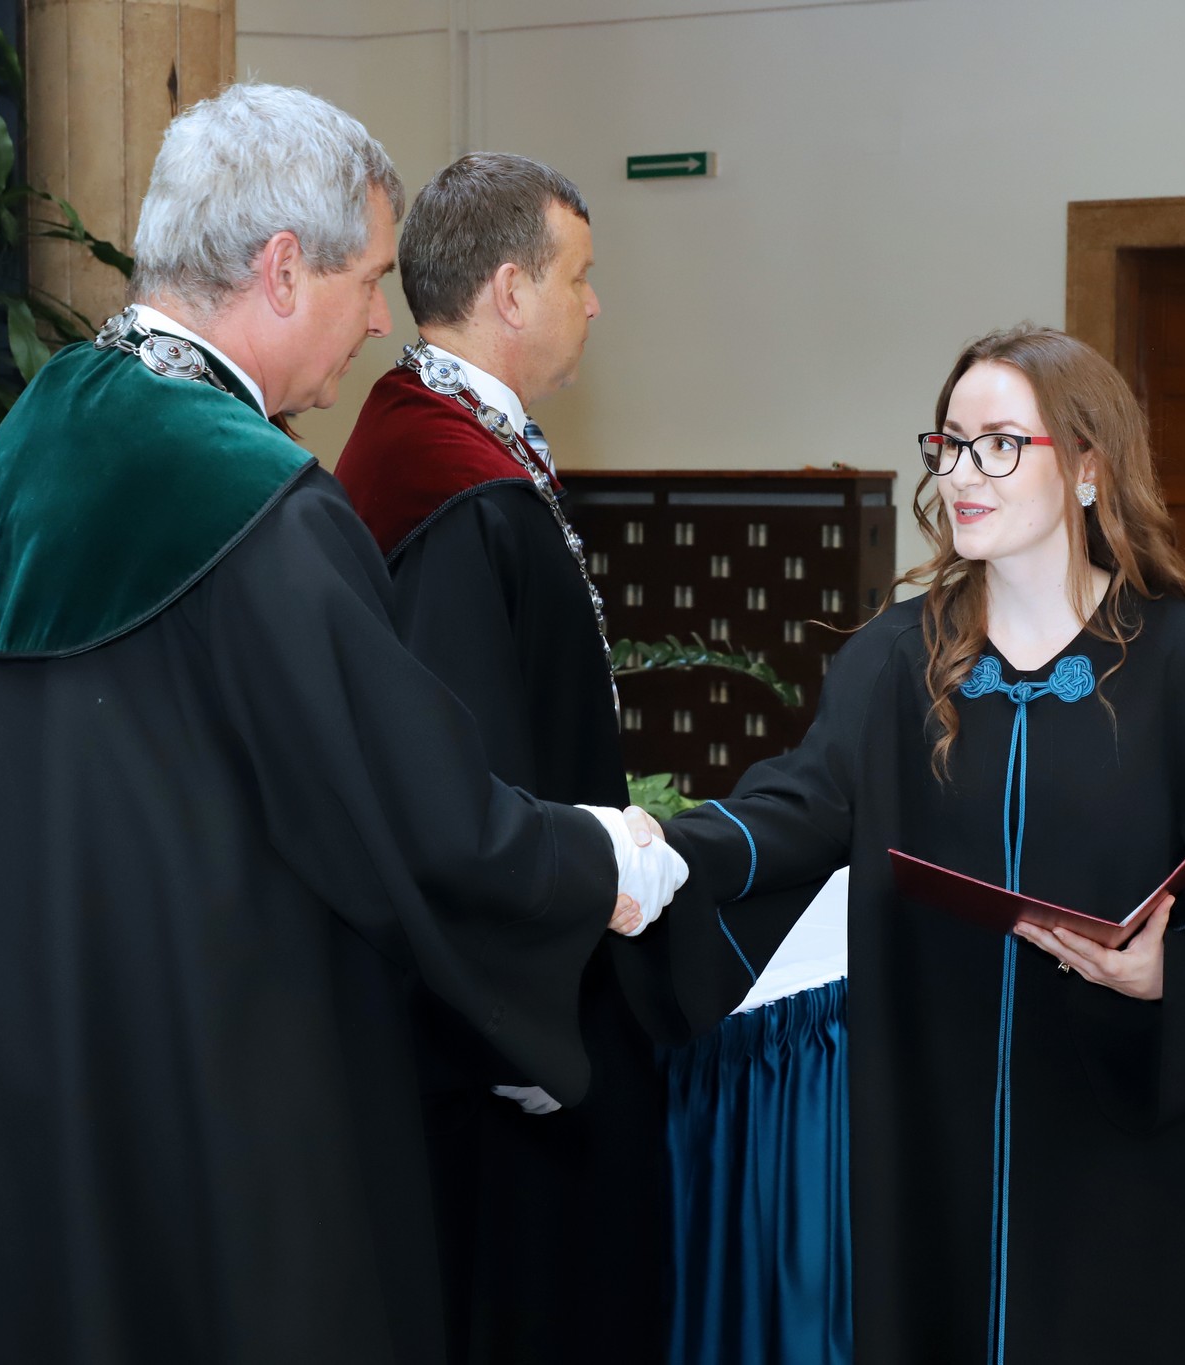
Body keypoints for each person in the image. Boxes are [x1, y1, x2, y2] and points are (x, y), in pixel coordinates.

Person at [0, 85, 685, 1365]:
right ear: (283, 268)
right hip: (204, 1087)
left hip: (35, 1063)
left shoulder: (37, 435)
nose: (382, 321)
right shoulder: (255, 505)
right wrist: (594, 860)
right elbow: (413, 822)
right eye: (370, 280)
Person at [661, 324, 1185, 1363]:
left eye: (1000, 444)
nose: (962, 473)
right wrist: (661, 853)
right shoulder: (894, 656)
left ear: (1088, 468)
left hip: (1121, 1122)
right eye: (950, 444)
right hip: (938, 1103)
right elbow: (801, 804)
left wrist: (1174, 970)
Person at [333, 154, 669, 1365]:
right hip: (504, 1035)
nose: (595, 303)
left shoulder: (428, 437)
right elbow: (465, 786)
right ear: (511, 290)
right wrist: (525, 1031)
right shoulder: (457, 486)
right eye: (579, 277)